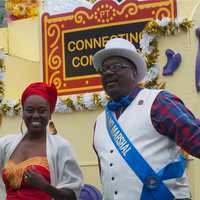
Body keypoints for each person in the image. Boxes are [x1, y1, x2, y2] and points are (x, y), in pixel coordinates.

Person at [92, 38, 200, 200]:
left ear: (134, 73)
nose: (107, 73)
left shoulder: (158, 102)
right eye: (104, 69)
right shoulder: (100, 122)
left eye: (115, 67)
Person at [0, 82, 83, 200]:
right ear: (23, 113)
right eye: (29, 110)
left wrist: (45, 186)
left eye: (42, 110)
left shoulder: (61, 147)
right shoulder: (5, 144)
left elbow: (72, 196)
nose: (35, 115)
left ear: (50, 114)